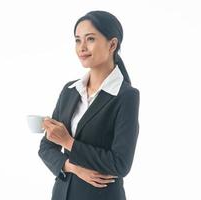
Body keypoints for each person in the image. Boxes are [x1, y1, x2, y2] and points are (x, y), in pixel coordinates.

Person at [38, 10, 140, 200]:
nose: (81, 47)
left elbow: (120, 164)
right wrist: (74, 168)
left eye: (90, 39)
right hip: (62, 194)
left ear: (112, 44)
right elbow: (46, 147)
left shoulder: (126, 96)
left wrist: (69, 143)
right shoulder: (70, 90)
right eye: (77, 40)